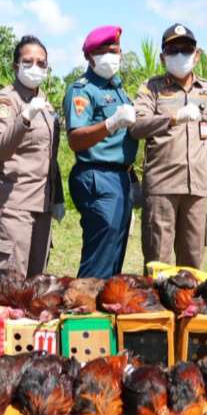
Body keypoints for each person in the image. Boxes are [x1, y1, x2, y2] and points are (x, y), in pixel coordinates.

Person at [130, 24, 207, 269]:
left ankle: (189, 306)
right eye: (173, 50)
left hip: (196, 189)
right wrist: (173, 118)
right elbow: (137, 126)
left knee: (192, 259)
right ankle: (156, 307)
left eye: (186, 49)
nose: (180, 55)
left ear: (197, 55)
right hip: (161, 187)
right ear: (162, 57)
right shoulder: (151, 88)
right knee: (158, 261)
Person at [0, 36, 65, 278]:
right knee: (9, 283)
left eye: (41, 63)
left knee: (35, 284)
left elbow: (50, 156)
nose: (35, 67)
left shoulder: (44, 102)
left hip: (41, 204)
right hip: (12, 205)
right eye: (28, 61)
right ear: (15, 66)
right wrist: (25, 119)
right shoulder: (8, 100)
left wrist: (57, 197)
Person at [64, 25, 139, 278]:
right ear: (89, 56)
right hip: (97, 175)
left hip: (121, 178)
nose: (110, 55)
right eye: (103, 50)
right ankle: (84, 313)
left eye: (114, 49)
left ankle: (102, 313)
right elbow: (75, 139)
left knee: (115, 253)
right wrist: (110, 123)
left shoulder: (118, 89)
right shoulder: (83, 90)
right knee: (100, 256)